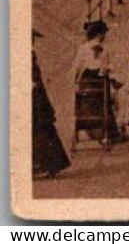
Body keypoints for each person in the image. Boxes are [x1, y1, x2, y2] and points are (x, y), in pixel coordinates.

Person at [32, 33, 70, 178]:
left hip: (35, 96)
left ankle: (45, 165)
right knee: (43, 129)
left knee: (39, 130)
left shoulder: (28, 54)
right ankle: (51, 165)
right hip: (38, 95)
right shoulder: (30, 54)